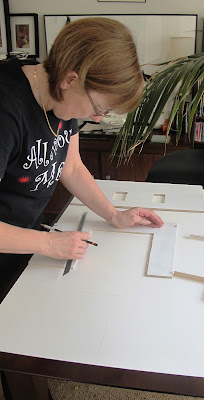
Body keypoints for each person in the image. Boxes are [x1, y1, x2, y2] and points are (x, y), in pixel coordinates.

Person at [0, 17, 164, 287]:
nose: (97, 118)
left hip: (25, 245)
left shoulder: (60, 98)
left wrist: (114, 215)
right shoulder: (6, 109)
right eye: (98, 108)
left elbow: (71, 166)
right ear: (70, 79)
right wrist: (49, 242)